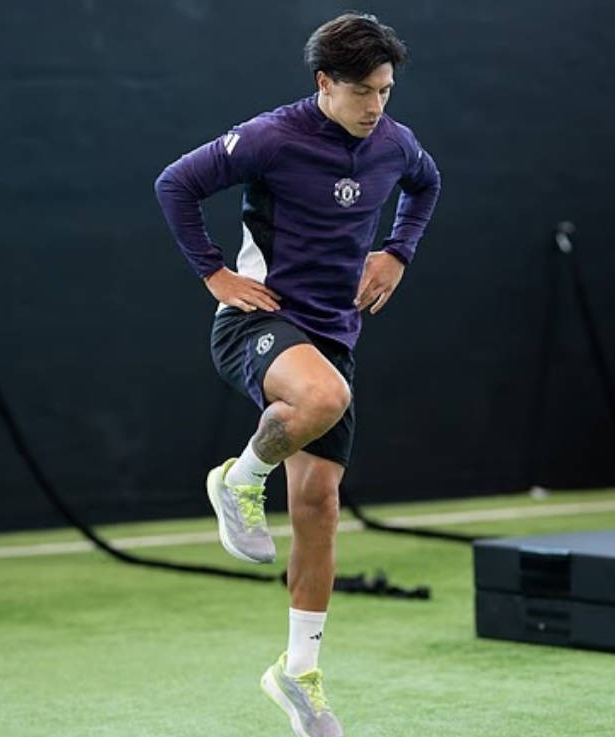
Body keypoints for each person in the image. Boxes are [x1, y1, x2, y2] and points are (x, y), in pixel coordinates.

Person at [154, 13, 440, 737]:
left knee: (318, 506)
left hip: (333, 336)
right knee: (323, 395)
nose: (375, 105)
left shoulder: (393, 144)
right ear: (324, 83)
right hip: (258, 321)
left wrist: (398, 251)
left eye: (385, 90)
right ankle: (238, 481)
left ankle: (298, 672)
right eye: (362, 91)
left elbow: (426, 183)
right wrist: (215, 274)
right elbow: (175, 184)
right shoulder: (272, 138)